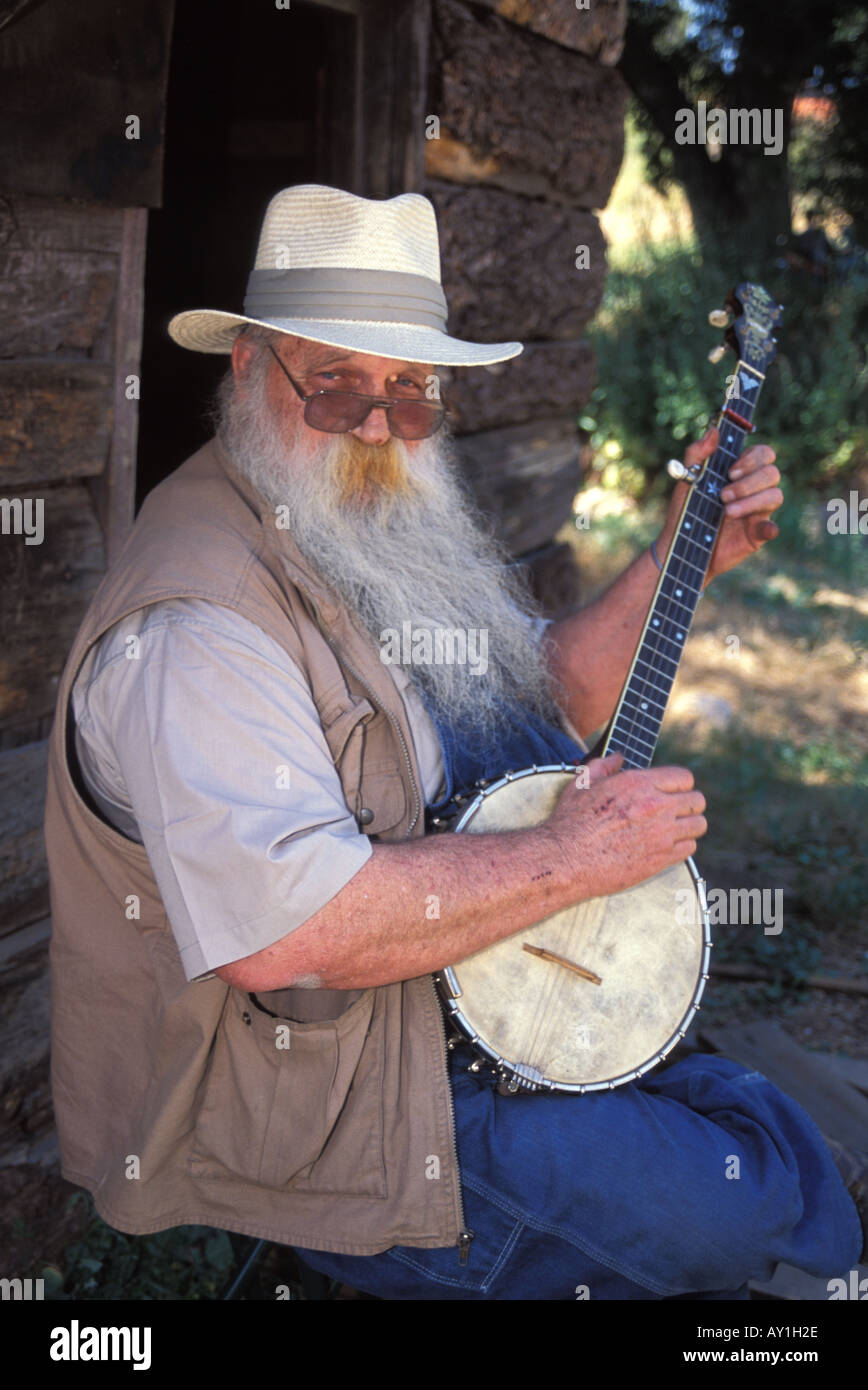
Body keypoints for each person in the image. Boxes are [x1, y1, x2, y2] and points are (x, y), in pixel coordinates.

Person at [44, 184, 864, 1301]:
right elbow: (290, 935)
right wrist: (570, 857)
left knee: (738, 1111)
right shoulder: (197, 628)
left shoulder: (352, 516)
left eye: (411, 393)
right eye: (335, 386)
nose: (378, 427)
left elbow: (543, 702)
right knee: (741, 1210)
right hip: (325, 1103)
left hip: (455, 1001)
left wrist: (682, 553)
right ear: (248, 367)